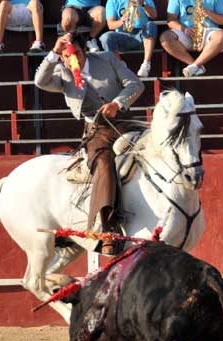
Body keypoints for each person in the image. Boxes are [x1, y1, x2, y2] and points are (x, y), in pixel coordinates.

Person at [34, 33, 144, 255]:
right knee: (103, 163)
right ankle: (107, 228)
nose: (70, 59)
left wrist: (117, 103)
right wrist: (54, 53)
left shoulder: (107, 59)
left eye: (75, 54)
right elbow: (40, 81)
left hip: (125, 122)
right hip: (96, 131)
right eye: (65, 56)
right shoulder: (62, 73)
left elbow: (135, 84)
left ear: (85, 51)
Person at [160, 0, 223, 77]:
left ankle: (194, 66)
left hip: (209, 31)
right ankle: (196, 66)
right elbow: (171, 20)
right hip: (186, 32)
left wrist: (209, 14)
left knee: (222, 36)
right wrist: (184, 29)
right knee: (165, 38)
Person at [100, 0, 158, 77]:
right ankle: (120, 68)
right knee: (105, 37)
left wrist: (143, 5)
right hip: (123, 35)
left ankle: (146, 64)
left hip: (142, 36)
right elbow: (111, 25)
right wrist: (121, 21)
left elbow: (154, 15)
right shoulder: (113, 1)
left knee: (150, 25)